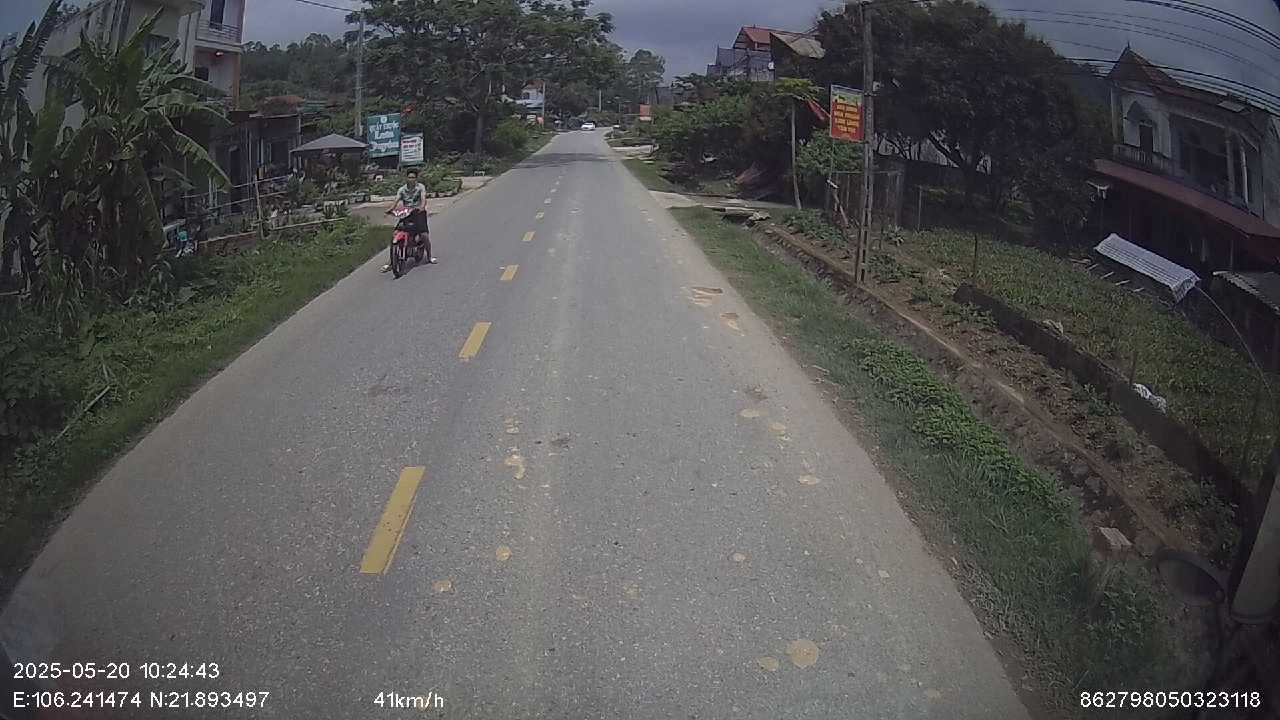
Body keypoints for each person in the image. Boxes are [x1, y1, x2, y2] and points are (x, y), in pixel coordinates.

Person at [381, 168, 437, 272]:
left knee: (424, 235)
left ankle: (429, 256)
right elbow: (396, 201)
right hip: (406, 212)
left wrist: (422, 207)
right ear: (406, 178)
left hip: (418, 212)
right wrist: (390, 210)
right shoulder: (402, 189)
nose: (411, 179)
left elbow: (423, 199)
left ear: (416, 178)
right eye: (409, 177)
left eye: (413, 177)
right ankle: (391, 262)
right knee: (395, 233)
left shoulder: (420, 187)